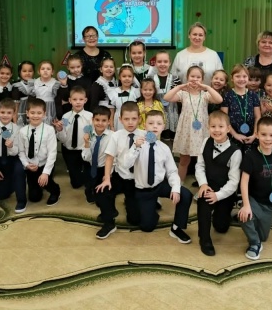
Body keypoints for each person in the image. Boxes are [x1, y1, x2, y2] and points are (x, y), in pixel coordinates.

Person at [119, 110, 193, 243]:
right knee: (147, 227)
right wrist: (135, 147)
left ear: (163, 126)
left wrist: (176, 188)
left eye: (158, 124)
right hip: (143, 190)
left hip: (159, 186)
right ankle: (151, 207)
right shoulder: (137, 144)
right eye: (151, 123)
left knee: (185, 194)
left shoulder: (164, 148)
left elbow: (172, 171)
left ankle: (177, 228)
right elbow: (125, 165)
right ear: (144, 125)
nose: (154, 126)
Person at [164, 65, 223, 182]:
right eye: (192, 76)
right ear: (187, 77)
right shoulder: (183, 94)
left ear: (202, 79)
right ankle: (179, 184)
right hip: (186, 131)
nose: (195, 79)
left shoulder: (205, 95)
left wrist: (207, 87)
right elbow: (167, 97)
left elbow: (219, 99)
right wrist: (180, 86)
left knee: (203, 160)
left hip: (201, 132)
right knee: (184, 160)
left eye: (198, 77)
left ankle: (205, 185)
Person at [195, 111, 242, 256]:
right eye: (213, 126)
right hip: (208, 187)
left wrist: (218, 195)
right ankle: (204, 239)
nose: (216, 130)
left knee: (221, 227)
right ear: (208, 127)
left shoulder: (235, 152)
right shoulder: (206, 142)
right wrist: (203, 184)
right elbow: (200, 165)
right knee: (203, 202)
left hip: (225, 192)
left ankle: (222, 213)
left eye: (221, 126)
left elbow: (234, 181)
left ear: (228, 129)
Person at [238, 117, 272, 260]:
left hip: (270, 202)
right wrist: (246, 205)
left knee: (264, 237)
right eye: (263, 134)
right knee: (244, 216)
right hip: (254, 199)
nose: (268, 139)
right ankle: (254, 243)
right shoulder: (250, 156)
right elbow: (244, 182)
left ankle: (258, 233)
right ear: (256, 134)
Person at [96, 101, 144, 229]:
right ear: (120, 119)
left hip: (137, 179)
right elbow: (109, 158)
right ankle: (109, 219)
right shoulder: (116, 136)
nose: (130, 122)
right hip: (120, 175)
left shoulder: (144, 135)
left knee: (135, 220)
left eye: (134, 119)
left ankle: (131, 203)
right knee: (102, 191)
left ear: (139, 119)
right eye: (126, 119)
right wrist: (107, 178)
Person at [15, 97, 60, 208]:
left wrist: (45, 173)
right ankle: (39, 184)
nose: (35, 116)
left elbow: (52, 153)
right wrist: (27, 165)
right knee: (34, 197)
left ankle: (55, 190)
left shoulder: (49, 130)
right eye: (32, 113)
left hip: (45, 164)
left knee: (45, 181)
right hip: (30, 166)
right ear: (27, 113)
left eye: (39, 113)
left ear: (44, 114)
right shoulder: (22, 131)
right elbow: (21, 151)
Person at [0, 98, 25, 212]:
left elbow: (18, 151)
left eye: (9, 113)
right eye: (2, 112)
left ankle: (21, 200)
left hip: (13, 159)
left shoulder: (17, 130)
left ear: (13, 114)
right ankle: (8, 184)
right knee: (1, 195)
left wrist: (11, 146)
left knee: (19, 171)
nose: (5, 115)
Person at [53, 86, 93, 190]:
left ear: (85, 100)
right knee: (75, 184)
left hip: (85, 149)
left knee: (89, 178)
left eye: (81, 99)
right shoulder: (65, 117)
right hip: (70, 151)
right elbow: (63, 139)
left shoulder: (90, 117)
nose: (78, 102)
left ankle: (88, 178)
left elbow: (93, 135)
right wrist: (60, 130)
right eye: (75, 99)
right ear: (70, 100)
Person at [81, 106, 113, 211]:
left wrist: (109, 173)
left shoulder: (113, 136)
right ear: (93, 120)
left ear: (109, 121)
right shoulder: (88, 135)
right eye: (97, 120)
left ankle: (99, 196)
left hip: (104, 167)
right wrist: (86, 144)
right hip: (89, 165)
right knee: (89, 183)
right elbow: (85, 157)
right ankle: (89, 192)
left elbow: (114, 157)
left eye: (104, 120)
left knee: (101, 187)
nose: (100, 123)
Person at [222, 64, 261, 149]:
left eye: (244, 76)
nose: (241, 79)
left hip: (251, 137)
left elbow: (258, 116)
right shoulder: (227, 95)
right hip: (232, 136)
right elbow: (224, 118)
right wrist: (235, 134)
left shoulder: (253, 95)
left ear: (248, 78)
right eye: (238, 76)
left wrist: (255, 134)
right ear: (232, 78)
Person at [147, 51, 181, 139]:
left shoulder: (175, 79)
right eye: (159, 61)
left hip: (172, 113)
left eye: (165, 61)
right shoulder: (150, 79)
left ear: (170, 63)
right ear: (155, 63)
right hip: (155, 113)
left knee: (171, 139)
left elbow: (179, 96)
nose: (162, 64)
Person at [107, 65, 140, 131]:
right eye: (124, 76)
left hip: (132, 121)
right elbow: (111, 111)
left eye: (129, 76)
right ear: (119, 77)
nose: (127, 78)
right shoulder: (113, 92)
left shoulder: (136, 92)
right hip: (118, 120)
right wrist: (112, 126)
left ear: (133, 77)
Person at [33, 60, 60, 125]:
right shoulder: (34, 82)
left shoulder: (55, 83)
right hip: (38, 106)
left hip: (50, 108)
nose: (45, 71)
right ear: (39, 71)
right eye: (43, 69)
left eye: (48, 69)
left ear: (52, 72)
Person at [12, 60, 36, 127]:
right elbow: (15, 107)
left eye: (30, 71)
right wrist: (15, 123)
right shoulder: (17, 86)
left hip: (35, 115)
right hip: (21, 116)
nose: (27, 73)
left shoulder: (38, 84)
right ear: (20, 72)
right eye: (24, 71)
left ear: (34, 72)